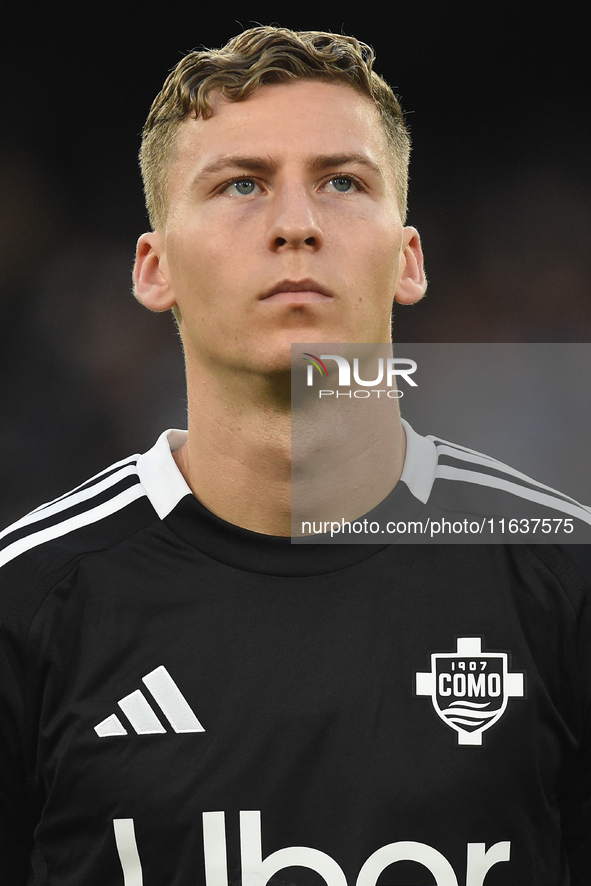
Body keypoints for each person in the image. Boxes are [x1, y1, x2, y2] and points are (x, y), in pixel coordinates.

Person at [1, 25, 590, 886]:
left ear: (409, 259)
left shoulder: (560, 579)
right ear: (152, 267)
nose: (295, 225)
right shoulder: (29, 603)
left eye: (342, 182)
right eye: (241, 184)